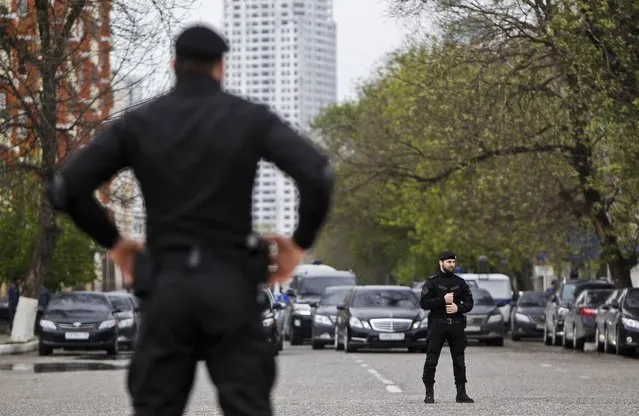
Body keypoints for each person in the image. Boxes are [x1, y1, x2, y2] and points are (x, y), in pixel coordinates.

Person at [46, 24, 334, 416]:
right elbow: (317, 175)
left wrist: (115, 241)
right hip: (231, 284)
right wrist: (298, 243)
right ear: (221, 68)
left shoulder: (139, 124)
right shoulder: (249, 118)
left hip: (166, 286)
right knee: (247, 405)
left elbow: (67, 188)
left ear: (174, 65)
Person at [420, 251, 474, 404]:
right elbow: (424, 303)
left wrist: (459, 308)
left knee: (459, 360)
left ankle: (461, 393)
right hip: (437, 325)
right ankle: (429, 393)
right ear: (441, 263)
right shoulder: (432, 282)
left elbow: (470, 303)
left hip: (456, 325)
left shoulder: (460, 282)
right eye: (448, 262)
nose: (451, 265)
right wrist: (441, 300)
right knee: (431, 359)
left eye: (453, 262)